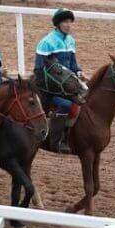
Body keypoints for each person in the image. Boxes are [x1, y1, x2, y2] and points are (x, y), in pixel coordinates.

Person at [34, 8, 86, 154]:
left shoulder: (70, 40)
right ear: (57, 24)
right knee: (66, 104)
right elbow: (39, 69)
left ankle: (74, 137)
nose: (68, 25)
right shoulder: (46, 42)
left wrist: (79, 72)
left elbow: (73, 65)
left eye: (70, 22)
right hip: (50, 86)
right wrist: (59, 84)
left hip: (68, 84)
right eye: (65, 22)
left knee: (87, 96)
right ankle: (56, 141)